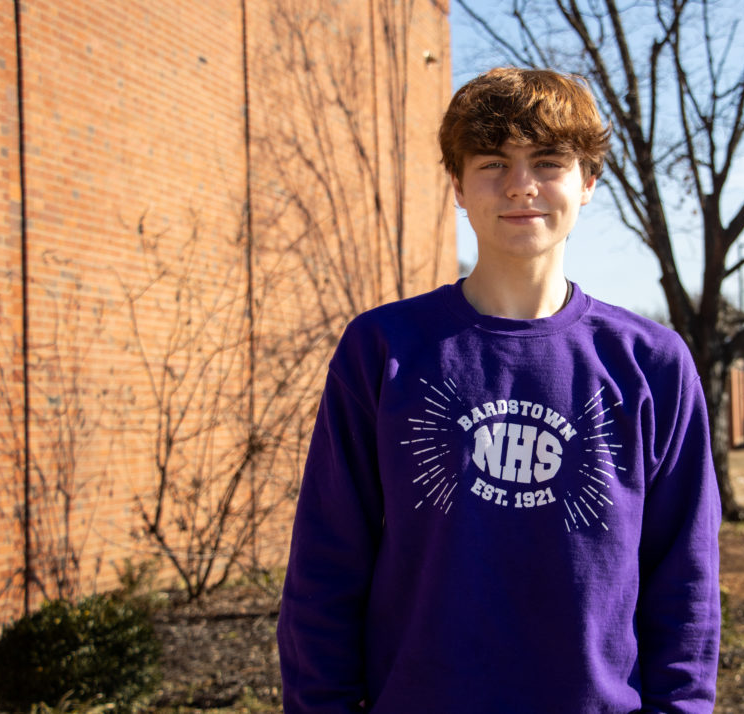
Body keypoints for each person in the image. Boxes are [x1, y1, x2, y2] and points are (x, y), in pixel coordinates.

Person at [277, 67, 721, 714]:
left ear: (588, 181)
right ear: (457, 184)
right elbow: (325, 565)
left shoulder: (652, 364)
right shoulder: (383, 350)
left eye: (548, 161)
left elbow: (685, 583)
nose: (521, 186)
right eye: (492, 162)